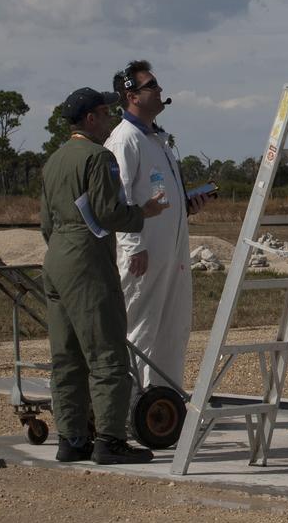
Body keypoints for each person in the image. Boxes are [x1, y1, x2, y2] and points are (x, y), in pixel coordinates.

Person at [40, 87, 168, 465]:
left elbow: (46, 222)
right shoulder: (99, 158)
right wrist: (141, 212)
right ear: (91, 119)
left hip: (57, 256)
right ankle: (110, 440)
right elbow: (108, 212)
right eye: (104, 112)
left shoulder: (53, 161)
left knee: (66, 356)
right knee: (107, 351)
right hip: (87, 257)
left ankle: (72, 437)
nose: (110, 118)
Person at [106, 60, 212, 394]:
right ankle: (133, 402)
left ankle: (164, 400)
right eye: (151, 85)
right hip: (144, 256)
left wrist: (187, 206)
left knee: (172, 327)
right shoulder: (125, 141)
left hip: (171, 253)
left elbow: (158, 196)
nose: (160, 90)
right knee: (140, 328)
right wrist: (133, 246)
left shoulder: (157, 141)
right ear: (131, 95)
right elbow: (118, 197)